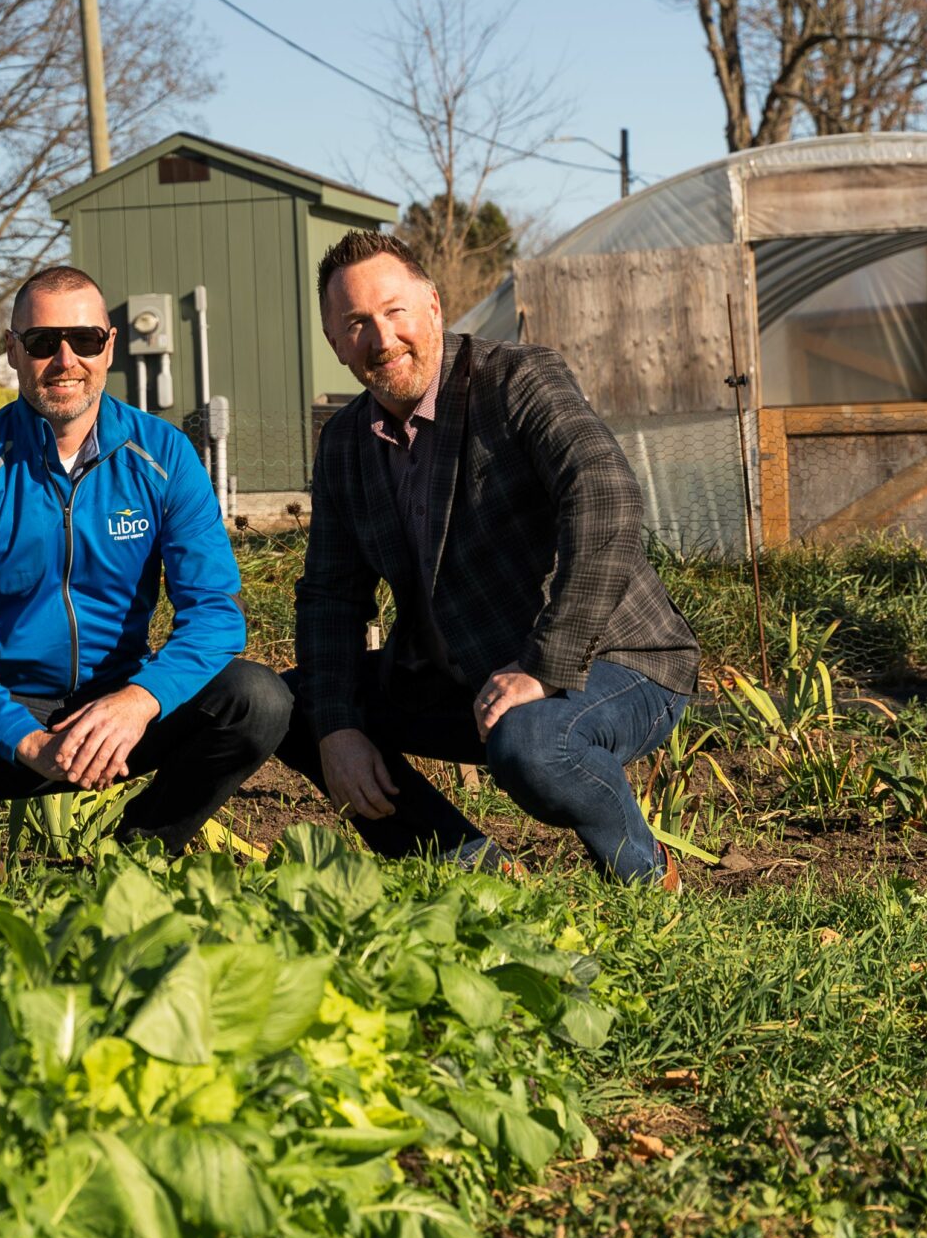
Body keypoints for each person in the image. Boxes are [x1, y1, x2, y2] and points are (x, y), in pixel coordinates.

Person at [279, 230, 699, 883]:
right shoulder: (344, 445)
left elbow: (604, 496)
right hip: (463, 678)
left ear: (433, 307)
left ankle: (645, 874)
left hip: (615, 661)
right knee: (295, 705)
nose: (382, 338)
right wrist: (336, 730)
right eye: (356, 323)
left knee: (533, 742)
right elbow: (331, 596)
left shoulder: (516, 380)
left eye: (394, 311)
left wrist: (543, 664)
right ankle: (477, 874)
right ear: (335, 343)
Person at [0, 265, 291, 866]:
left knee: (258, 698)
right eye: (41, 342)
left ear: (108, 347)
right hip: (12, 707)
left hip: (123, 699)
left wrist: (140, 700)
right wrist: (25, 739)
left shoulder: (163, 455)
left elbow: (216, 614)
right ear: (13, 351)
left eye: (83, 340)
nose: (65, 360)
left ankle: (135, 858)